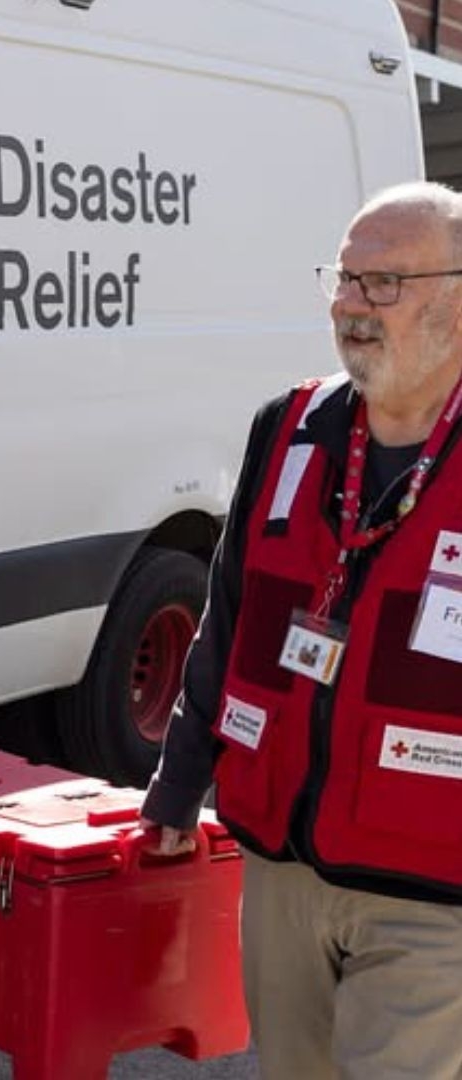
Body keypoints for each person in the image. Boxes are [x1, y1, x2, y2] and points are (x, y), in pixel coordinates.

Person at [140, 182, 462, 1080]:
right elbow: (230, 612)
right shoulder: (287, 428)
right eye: (344, 280)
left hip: (436, 892)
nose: (350, 307)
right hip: (283, 862)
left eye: (382, 286)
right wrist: (178, 781)